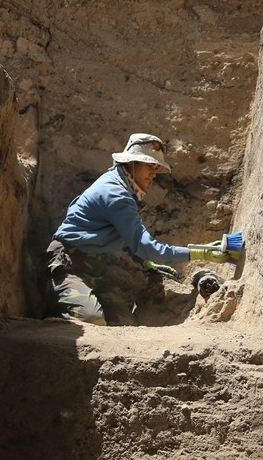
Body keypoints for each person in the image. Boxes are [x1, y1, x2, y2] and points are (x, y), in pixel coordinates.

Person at [43, 133, 229, 325]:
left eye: (156, 168)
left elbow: (128, 239)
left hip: (94, 272)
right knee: (92, 320)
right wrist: (201, 253)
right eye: (149, 165)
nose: (154, 173)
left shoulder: (123, 187)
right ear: (131, 163)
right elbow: (148, 247)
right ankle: (51, 325)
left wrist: (145, 262)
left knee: (125, 324)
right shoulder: (116, 194)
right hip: (68, 266)